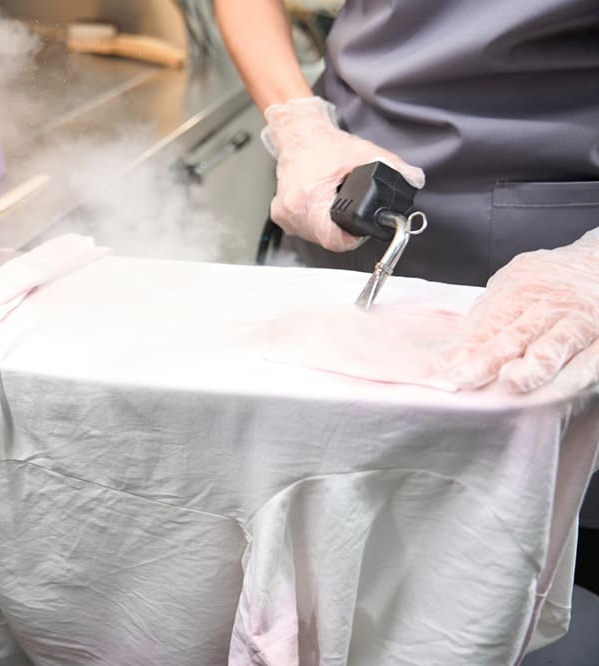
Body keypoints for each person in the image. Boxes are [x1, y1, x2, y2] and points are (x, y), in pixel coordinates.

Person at [216, 0, 599, 662]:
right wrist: (298, 122)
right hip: (354, 183)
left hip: (562, 245)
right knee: (339, 533)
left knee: (529, 552)